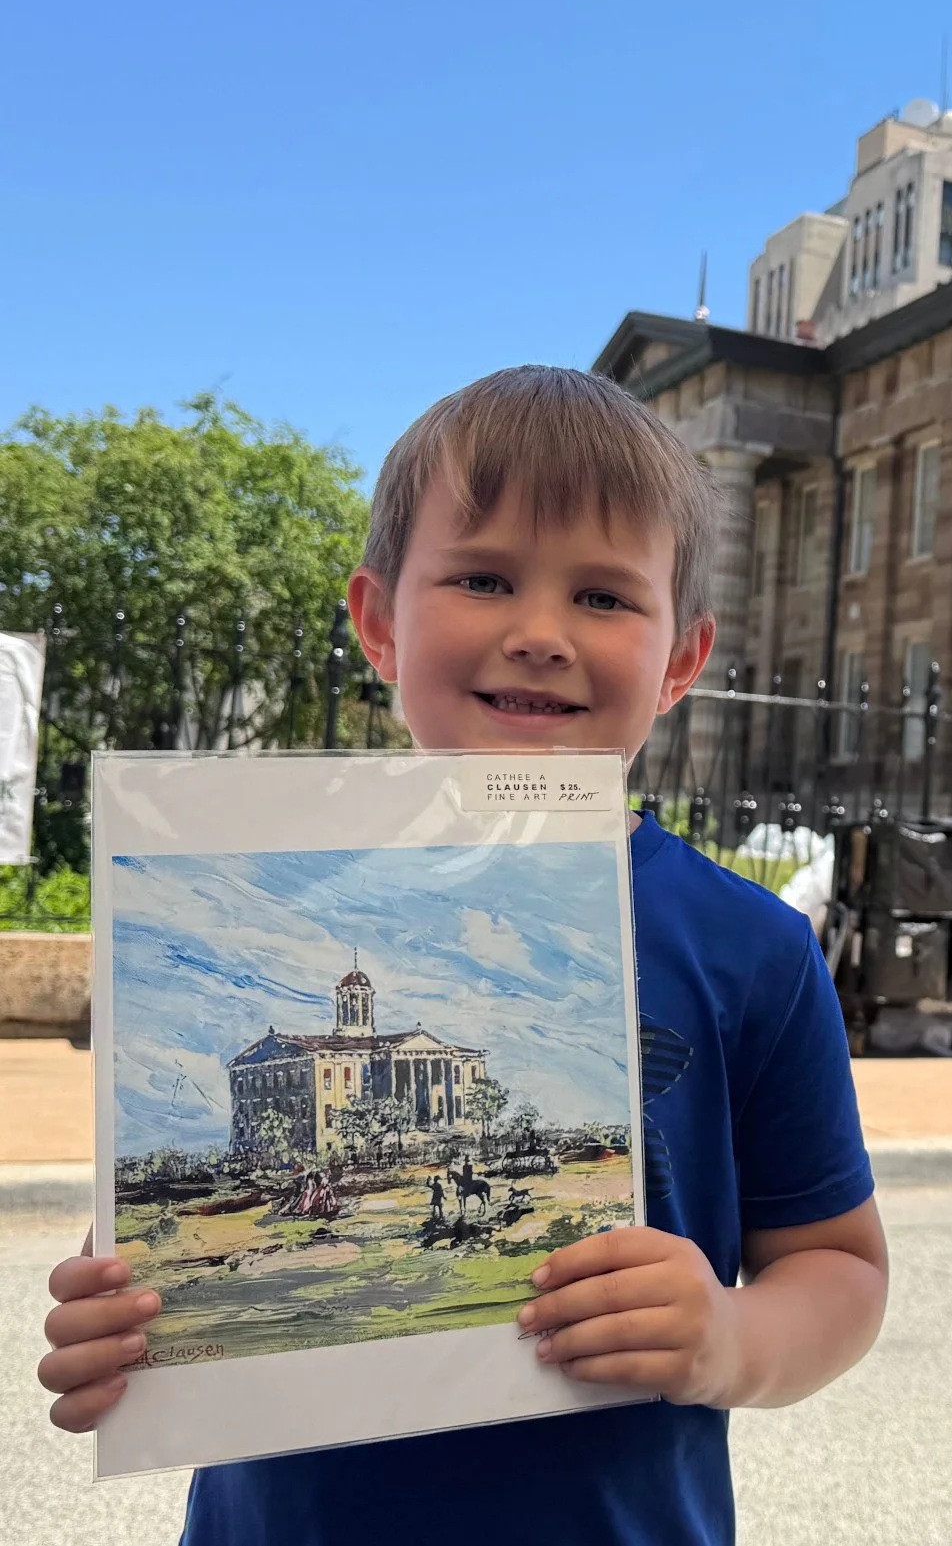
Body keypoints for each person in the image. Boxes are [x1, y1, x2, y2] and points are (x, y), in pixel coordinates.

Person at [38, 366, 889, 1543]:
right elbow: (153, 1280)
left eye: (602, 596)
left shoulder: (754, 948)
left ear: (681, 659)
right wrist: (124, 1310)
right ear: (380, 620)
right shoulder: (274, 878)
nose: (539, 634)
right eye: (483, 578)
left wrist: (733, 1340)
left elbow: (841, 1270)